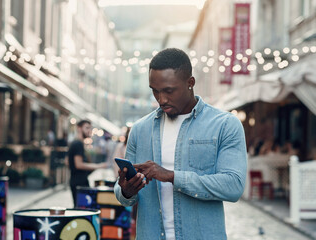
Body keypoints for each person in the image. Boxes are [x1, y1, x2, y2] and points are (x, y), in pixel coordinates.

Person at [114, 48, 247, 240]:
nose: (161, 99)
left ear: (190, 83)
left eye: (169, 91)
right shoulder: (140, 129)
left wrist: (170, 176)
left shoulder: (224, 124)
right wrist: (126, 190)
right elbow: (122, 195)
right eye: (155, 91)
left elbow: (233, 186)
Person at [68, 120, 107, 208]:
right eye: (86, 128)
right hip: (78, 183)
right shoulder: (78, 144)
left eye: (90, 128)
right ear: (79, 128)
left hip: (79, 181)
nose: (89, 130)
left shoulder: (79, 143)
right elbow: (79, 164)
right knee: (81, 210)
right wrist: (99, 166)